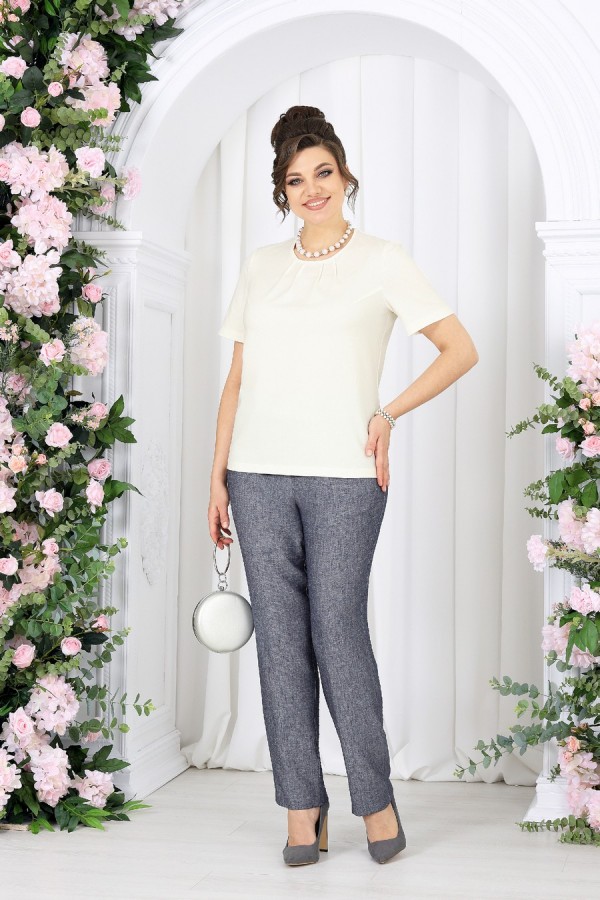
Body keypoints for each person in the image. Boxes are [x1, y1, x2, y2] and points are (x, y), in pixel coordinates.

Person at [208, 105, 479, 866]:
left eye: (322, 172)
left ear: (345, 174)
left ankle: (376, 800)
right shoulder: (261, 266)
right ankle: (302, 808)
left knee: (339, 634)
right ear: (282, 191)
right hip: (256, 474)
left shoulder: (384, 260)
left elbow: (459, 350)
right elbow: (236, 379)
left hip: (347, 477)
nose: (312, 188)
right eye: (296, 180)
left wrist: (388, 413)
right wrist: (216, 476)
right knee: (279, 646)